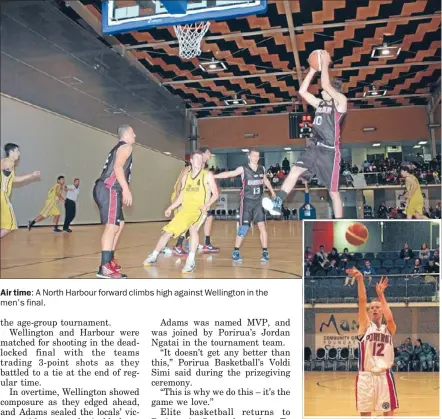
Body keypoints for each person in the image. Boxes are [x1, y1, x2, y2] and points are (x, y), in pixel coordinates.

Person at [263, 50, 347, 218]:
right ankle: (278, 203)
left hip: (330, 152)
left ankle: (339, 221)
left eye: (326, 89)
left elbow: (325, 85)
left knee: (333, 193)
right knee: (294, 171)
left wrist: (323, 63)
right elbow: (302, 92)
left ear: (332, 91)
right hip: (314, 149)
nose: (321, 90)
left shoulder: (341, 103)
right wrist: (312, 71)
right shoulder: (321, 103)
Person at [143, 151, 219, 273]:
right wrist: (171, 208)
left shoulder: (207, 175)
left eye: (201, 159)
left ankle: (191, 260)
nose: (199, 161)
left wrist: (207, 204)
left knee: (193, 229)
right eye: (197, 159)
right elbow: (181, 196)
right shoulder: (186, 176)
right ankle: (153, 255)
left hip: (199, 210)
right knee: (168, 231)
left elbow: (215, 194)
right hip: (185, 210)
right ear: (191, 161)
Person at [349, 267, 398, 416]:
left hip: (384, 375)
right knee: (365, 413)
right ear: (370, 312)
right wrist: (360, 279)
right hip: (366, 376)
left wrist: (381, 296)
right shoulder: (365, 326)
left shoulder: (389, 329)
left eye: (378, 307)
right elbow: (362, 301)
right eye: (372, 308)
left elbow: (390, 318)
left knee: (388, 412)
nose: (374, 309)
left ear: (382, 310)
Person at [214, 149, 276, 262]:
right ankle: (236, 251)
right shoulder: (243, 169)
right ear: (249, 156)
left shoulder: (262, 168)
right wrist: (214, 177)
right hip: (246, 202)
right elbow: (230, 174)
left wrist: (272, 191)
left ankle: (265, 252)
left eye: (258, 156)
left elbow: (265, 180)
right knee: (244, 227)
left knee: (262, 227)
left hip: (258, 203)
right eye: (254, 156)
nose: (256, 158)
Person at [93, 125, 134, 279]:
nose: (135, 135)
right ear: (127, 134)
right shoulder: (126, 147)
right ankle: (104, 268)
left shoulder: (119, 148)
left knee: (120, 224)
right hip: (109, 188)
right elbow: (117, 168)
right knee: (111, 227)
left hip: (110, 189)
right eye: (133, 133)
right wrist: (126, 189)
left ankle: (109, 260)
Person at [171, 147, 220, 255]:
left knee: (208, 216)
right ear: (202, 154)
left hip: (197, 199)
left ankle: (196, 243)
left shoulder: (204, 169)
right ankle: (178, 245)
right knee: (184, 222)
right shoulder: (190, 168)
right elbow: (180, 183)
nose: (210, 155)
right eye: (208, 153)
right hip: (182, 197)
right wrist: (178, 197)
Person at [1, 143, 40, 239]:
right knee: (9, 226)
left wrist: (31, 175)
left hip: (3, 196)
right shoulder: (9, 162)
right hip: (2, 195)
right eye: (17, 151)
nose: (19, 154)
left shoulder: (9, 164)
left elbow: (14, 179)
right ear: (11, 152)